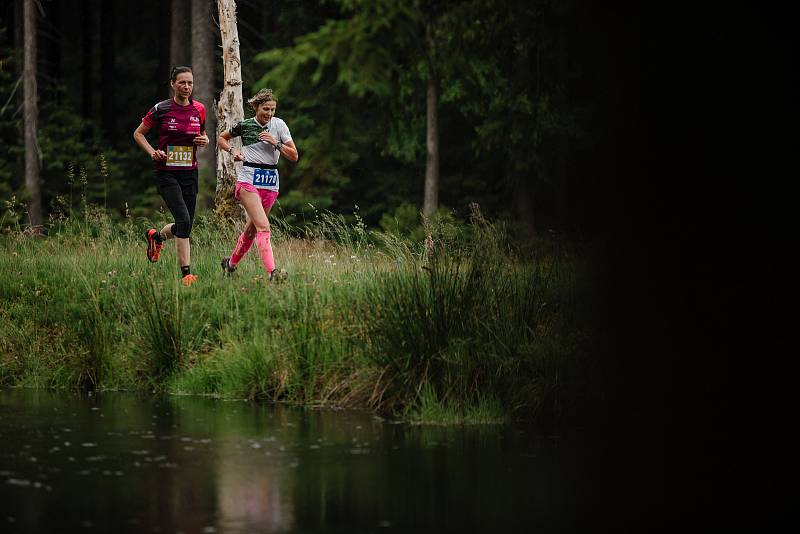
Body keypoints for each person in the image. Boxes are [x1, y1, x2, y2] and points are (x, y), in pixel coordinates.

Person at [133, 66, 209, 286]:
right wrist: (152, 152)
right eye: (182, 83)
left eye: (190, 83)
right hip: (167, 172)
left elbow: (202, 134)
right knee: (184, 221)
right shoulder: (161, 109)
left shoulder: (199, 109)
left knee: (185, 225)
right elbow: (138, 134)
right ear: (173, 84)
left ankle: (155, 237)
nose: (187, 87)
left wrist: (204, 140)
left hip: (190, 173)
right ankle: (186, 274)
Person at [217, 88, 298, 281]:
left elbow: (294, 156)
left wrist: (275, 143)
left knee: (252, 230)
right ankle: (273, 273)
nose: (269, 114)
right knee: (264, 227)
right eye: (265, 109)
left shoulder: (279, 125)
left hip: (270, 183)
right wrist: (232, 152)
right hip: (248, 180)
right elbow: (222, 138)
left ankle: (230, 265)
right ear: (256, 107)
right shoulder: (245, 126)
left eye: (272, 110)